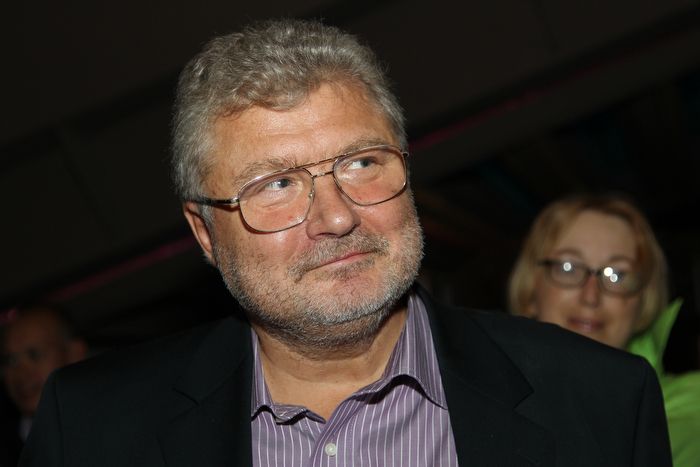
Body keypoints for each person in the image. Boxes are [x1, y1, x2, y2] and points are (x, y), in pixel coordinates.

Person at [22, 20, 671, 466]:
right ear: (204, 232)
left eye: (362, 163)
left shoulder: (600, 401)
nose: (335, 217)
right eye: (276, 184)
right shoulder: (92, 428)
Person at [509, 193, 700, 466]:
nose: (591, 296)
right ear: (531, 287)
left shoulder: (688, 411)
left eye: (617, 274)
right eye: (568, 267)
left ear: (643, 299)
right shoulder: (476, 397)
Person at [0, 306, 87, 466]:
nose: (21, 374)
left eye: (34, 355)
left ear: (75, 353)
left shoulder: (115, 425)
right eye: (10, 361)